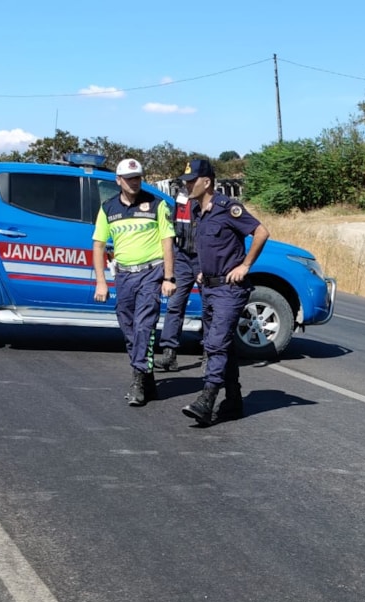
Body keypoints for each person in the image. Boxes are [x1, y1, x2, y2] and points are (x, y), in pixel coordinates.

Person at [178, 159, 269, 427]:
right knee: (223, 345)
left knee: (215, 343)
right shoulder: (197, 210)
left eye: (191, 181)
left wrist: (245, 265)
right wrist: (201, 270)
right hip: (208, 287)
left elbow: (261, 232)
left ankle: (207, 399)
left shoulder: (228, 208)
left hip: (230, 290)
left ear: (207, 182)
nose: (187, 185)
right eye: (185, 181)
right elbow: (204, 246)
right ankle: (234, 400)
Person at [92, 158, 176, 406]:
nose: (134, 182)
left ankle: (137, 379)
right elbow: (98, 245)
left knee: (144, 327)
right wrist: (101, 282)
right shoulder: (108, 208)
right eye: (129, 179)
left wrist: (169, 277)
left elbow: (167, 242)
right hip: (123, 275)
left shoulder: (156, 205)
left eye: (138, 177)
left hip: (151, 273)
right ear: (118, 180)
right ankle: (147, 375)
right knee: (128, 328)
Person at [154, 187, 197, 372]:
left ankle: (211, 357)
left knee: (211, 308)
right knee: (174, 305)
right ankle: (169, 354)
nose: (189, 184)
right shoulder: (180, 199)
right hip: (183, 257)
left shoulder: (212, 201)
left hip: (204, 258)